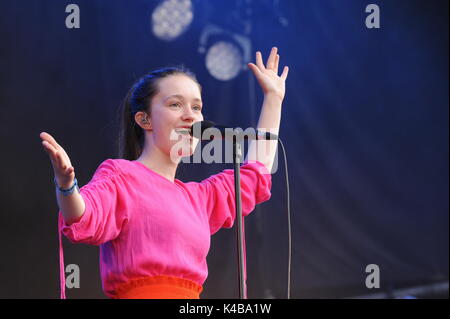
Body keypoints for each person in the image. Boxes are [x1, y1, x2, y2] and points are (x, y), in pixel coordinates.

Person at [40, 47, 289, 299]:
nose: (190, 116)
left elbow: (254, 174)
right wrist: (66, 185)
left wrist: (273, 99)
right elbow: (83, 214)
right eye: (175, 104)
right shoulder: (122, 176)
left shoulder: (199, 199)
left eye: (196, 107)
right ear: (144, 120)